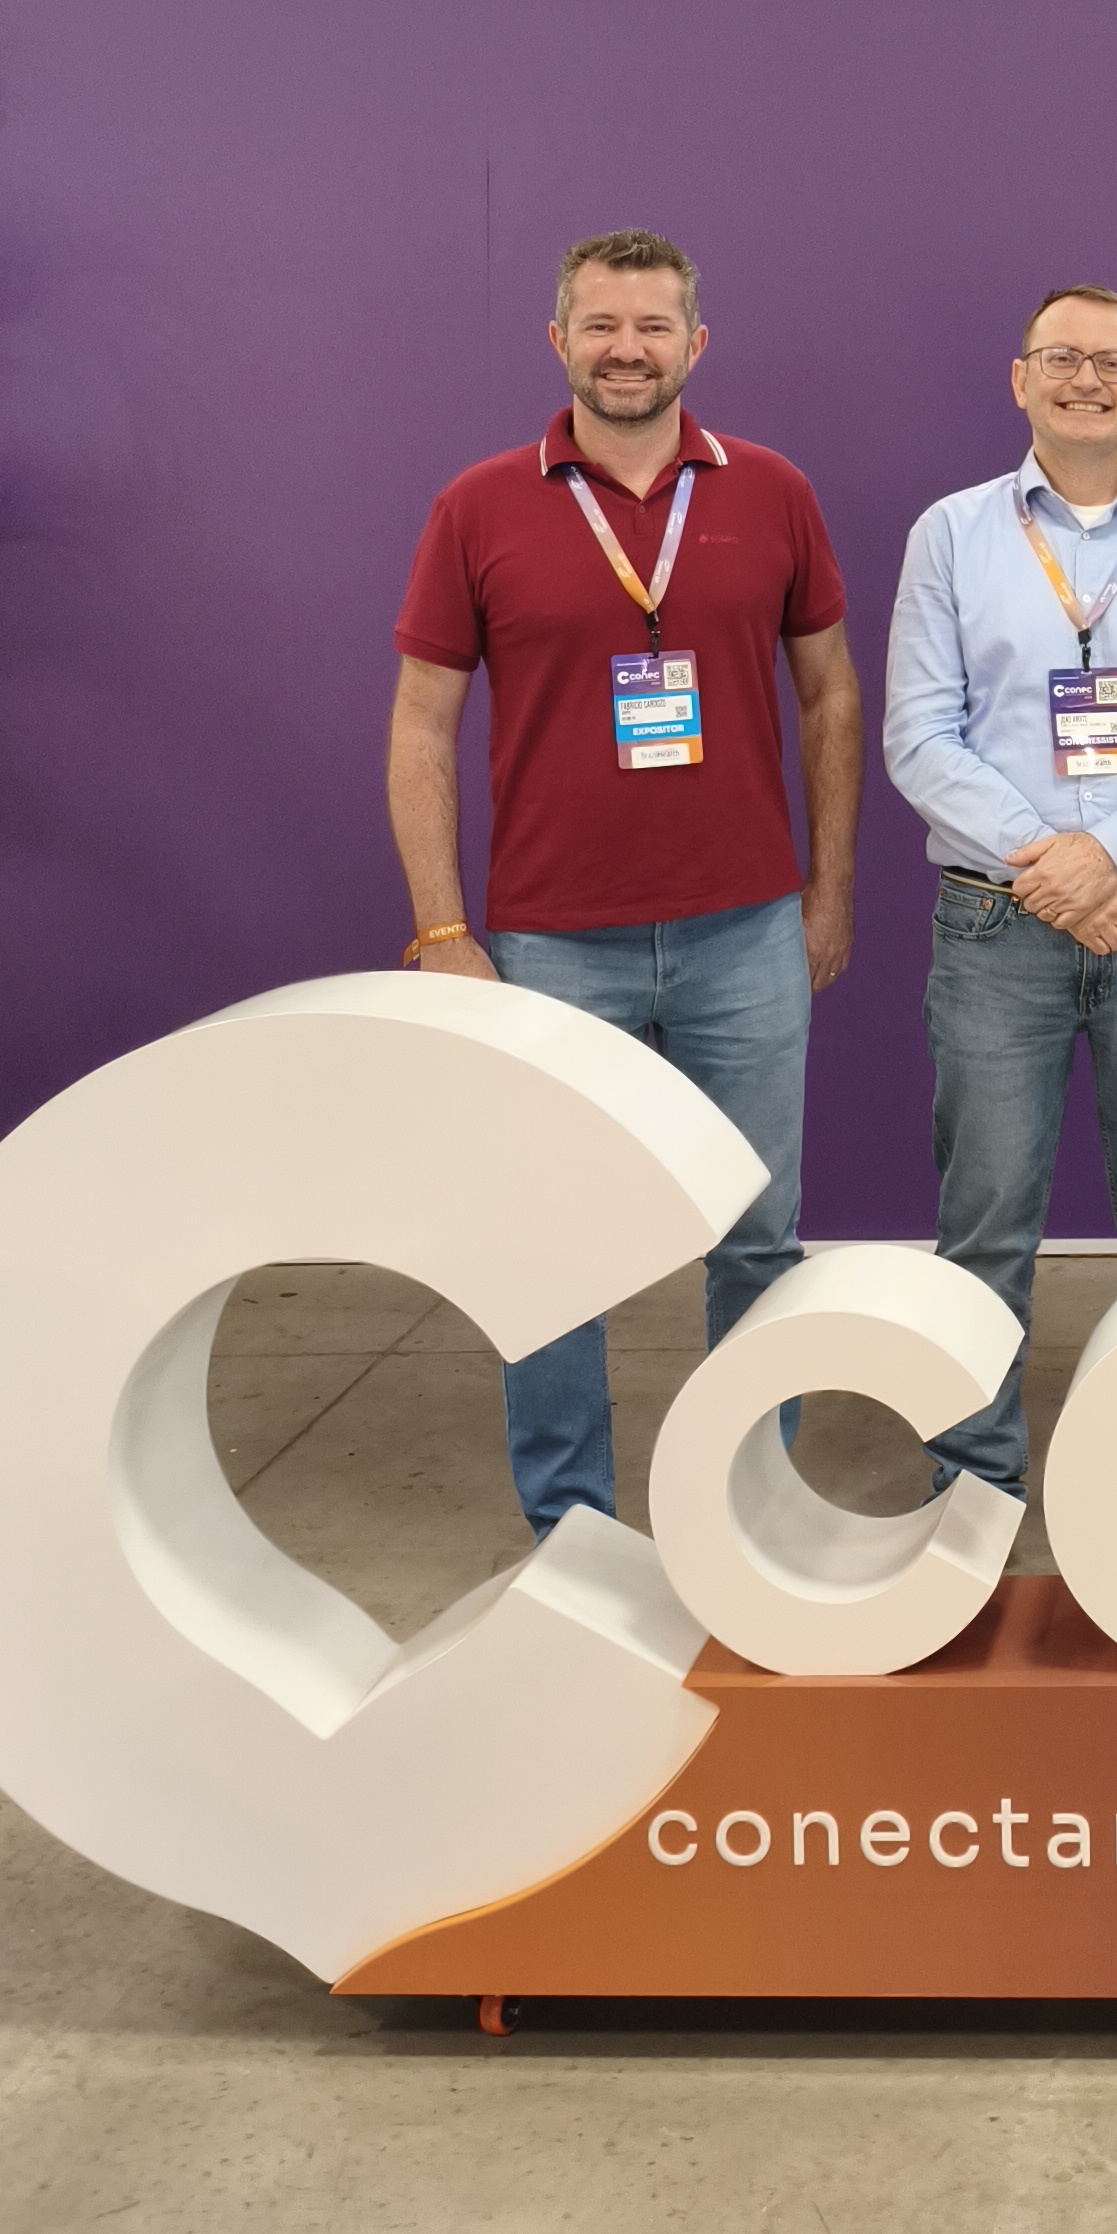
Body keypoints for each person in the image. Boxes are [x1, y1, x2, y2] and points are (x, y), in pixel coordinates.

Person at [387, 229, 863, 1537]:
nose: (627, 349)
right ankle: (570, 1525)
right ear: (560, 340)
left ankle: (756, 1507)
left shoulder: (773, 490)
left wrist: (828, 891)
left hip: (746, 930)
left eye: (653, 326)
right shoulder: (478, 505)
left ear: (695, 344)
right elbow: (421, 724)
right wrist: (441, 925)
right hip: (551, 942)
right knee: (548, 1245)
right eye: (601, 324)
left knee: (757, 1235)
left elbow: (830, 693)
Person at [883, 285, 1117, 1507]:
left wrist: (1104, 853)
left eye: (1113, 361)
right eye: (1062, 357)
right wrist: (1056, 866)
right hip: (996, 924)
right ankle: (972, 1477)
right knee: (985, 1220)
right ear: (1020, 378)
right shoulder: (952, 533)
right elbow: (919, 734)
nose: (1087, 378)